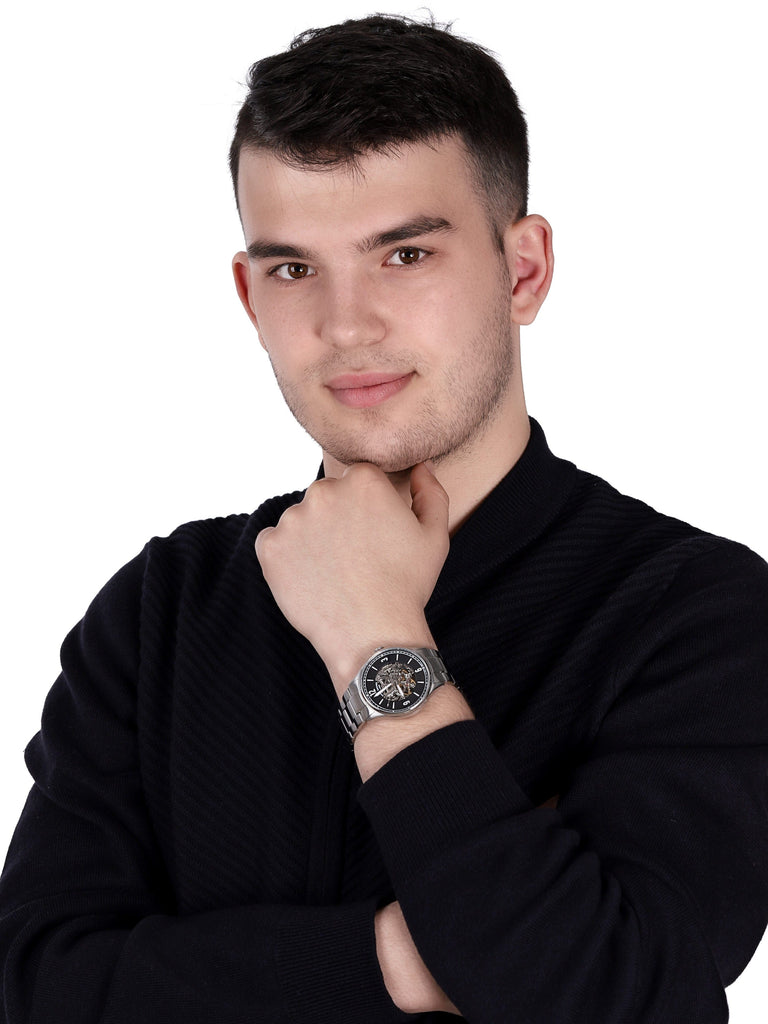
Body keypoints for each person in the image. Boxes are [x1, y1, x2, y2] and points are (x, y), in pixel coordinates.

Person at [1, 12, 767, 1023]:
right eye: (294, 269)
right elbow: (32, 986)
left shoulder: (700, 615)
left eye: (404, 255)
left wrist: (375, 640)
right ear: (249, 295)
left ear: (524, 269)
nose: (346, 324)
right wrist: (416, 954)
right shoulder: (162, 610)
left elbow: (618, 996)